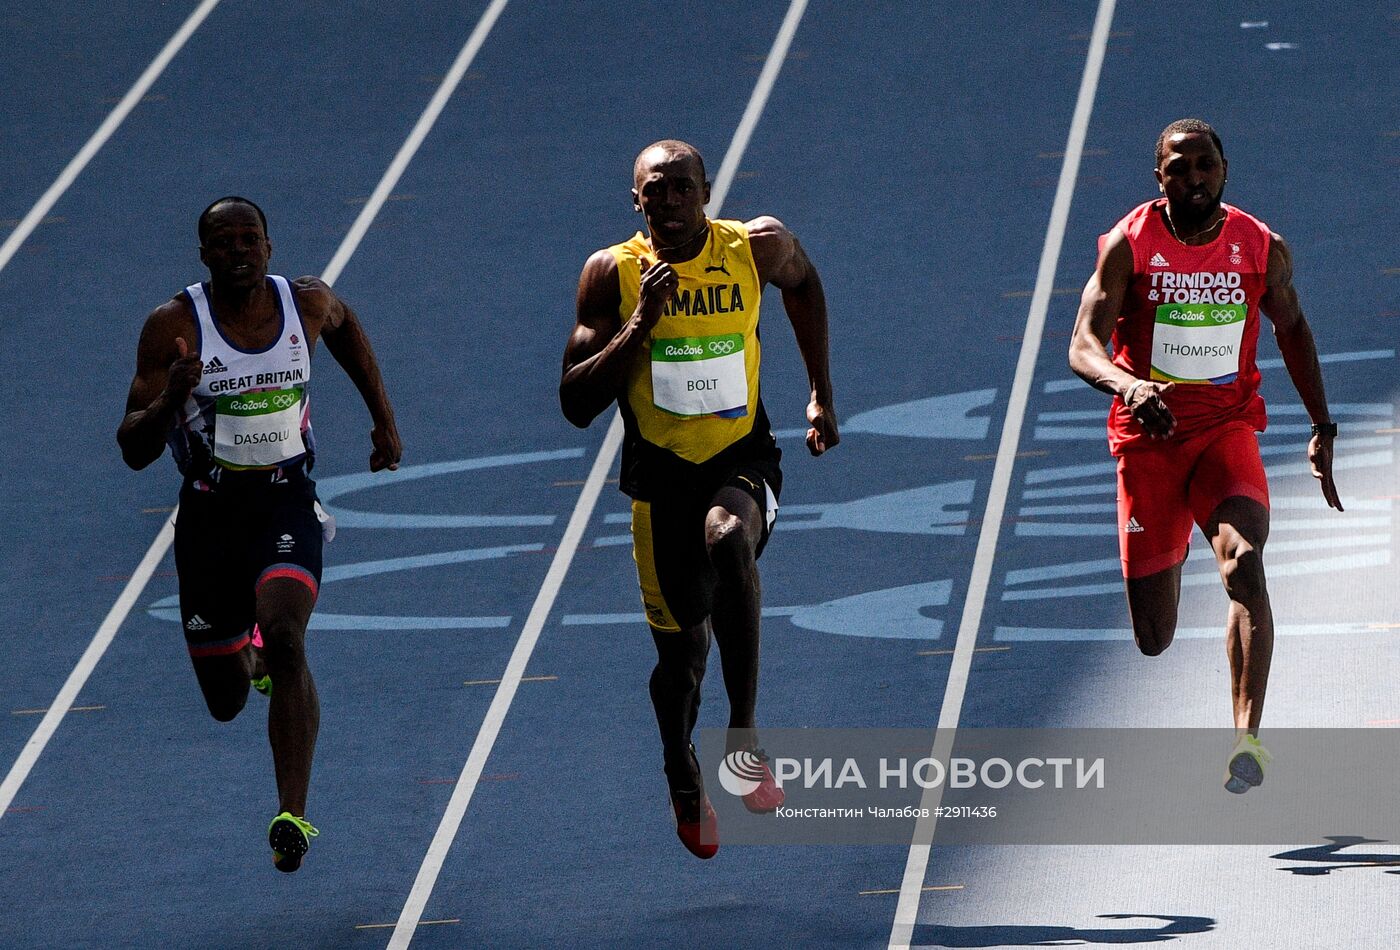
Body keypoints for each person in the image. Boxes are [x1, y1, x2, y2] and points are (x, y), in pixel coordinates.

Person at [560, 140, 838, 857]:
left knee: (729, 538)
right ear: (637, 202)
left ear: (707, 193)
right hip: (659, 483)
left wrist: (819, 395)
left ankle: (744, 735)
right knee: (680, 666)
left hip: (743, 457)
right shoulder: (612, 274)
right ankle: (682, 768)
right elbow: (575, 402)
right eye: (657, 191)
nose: (671, 202)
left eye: (684, 188)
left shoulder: (756, 248)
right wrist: (640, 324)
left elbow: (804, 285)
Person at [117, 197, 402, 870]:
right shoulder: (174, 326)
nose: (240, 250)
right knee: (225, 701)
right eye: (225, 242)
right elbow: (131, 448)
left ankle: (292, 816)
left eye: (251, 239)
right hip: (209, 522)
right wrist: (170, 396)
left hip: (285, 505)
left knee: (287, 634)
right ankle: (246, 652)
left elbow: (347, 328)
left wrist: (382, 420)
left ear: (270, 248)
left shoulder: (305, 302)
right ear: (205, 255)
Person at [1068, 119, 1341, 793]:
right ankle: (1178, 536)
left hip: (1226, 430)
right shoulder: (1129, 245)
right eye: (1178, 169)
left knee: (1246, 564)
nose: (1194, 179)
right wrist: (1130, 385)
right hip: (1150, 443)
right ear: (1158, 178)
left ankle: (1247, 740)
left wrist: (1321, 423)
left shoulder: (1258, 247)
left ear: (1225, 169)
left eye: (1205, 166)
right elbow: (1081, 344)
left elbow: (1293, 327)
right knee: (1154, 638)